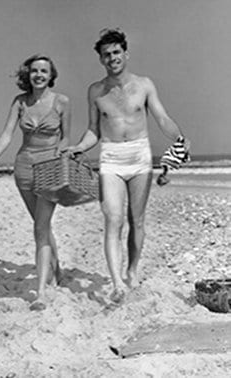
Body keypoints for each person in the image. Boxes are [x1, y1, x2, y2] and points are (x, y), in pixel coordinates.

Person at [66, 28, 189, 304]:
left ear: (125, 53)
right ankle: (117, 282)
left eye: (116, 52)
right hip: (110, 157)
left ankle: (132, 271)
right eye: (106, 55)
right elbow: (93, 131)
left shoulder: (144, 84)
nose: (112, 58)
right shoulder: (96, 91)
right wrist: (78, 147)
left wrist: (179, 137)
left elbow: (162, 117)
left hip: (139, 157)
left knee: (137, 220)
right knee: (113, 218)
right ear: (101, 59)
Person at [0, 54, 71, 311]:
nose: (39, 75)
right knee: (41, 225)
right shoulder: (20, 102)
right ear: (28, 74)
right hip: (23, 169)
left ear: (51, 74)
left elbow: (65, 139)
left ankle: (41, 292)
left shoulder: (62, 102)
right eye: (34, 71)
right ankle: (57, 271)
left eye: (44, 71)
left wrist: (60, 160)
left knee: (40, 229)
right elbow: (8, 132)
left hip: (50, 168)